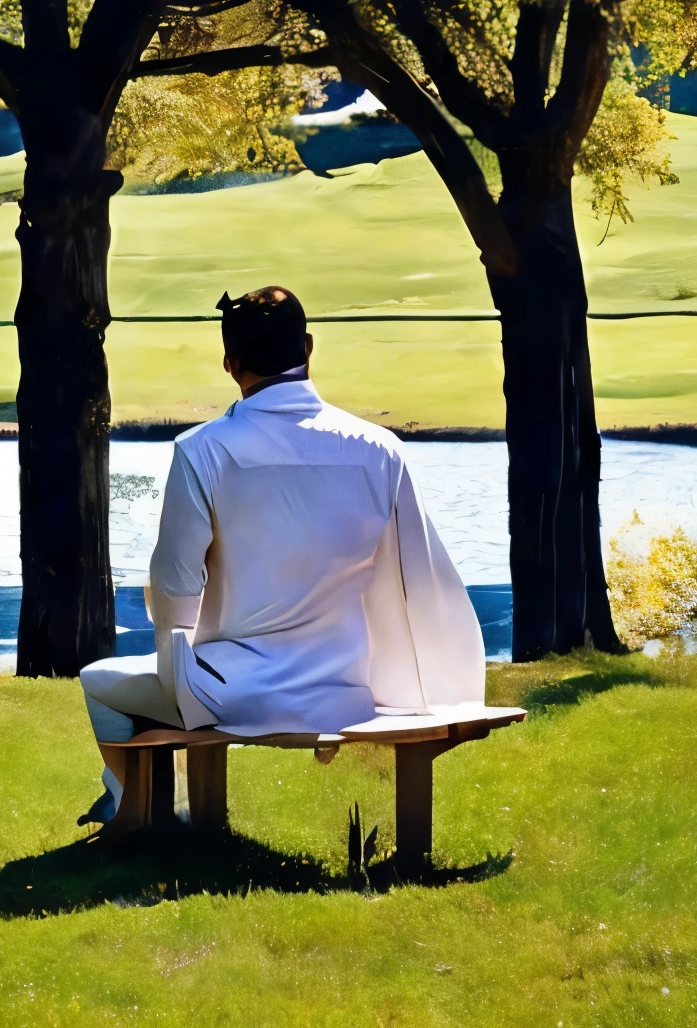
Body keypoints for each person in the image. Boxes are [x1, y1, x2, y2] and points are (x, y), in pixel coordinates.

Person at [77, 285, 485, 825]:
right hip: (350, 692)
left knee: (99, 682)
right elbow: (416, 577)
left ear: (230, 363)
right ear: (309, 348)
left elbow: (176, 588)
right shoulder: (380, 448)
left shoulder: (204, 450)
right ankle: (153, 810)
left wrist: (180, 665)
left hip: (239, 695)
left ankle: (138, 813)